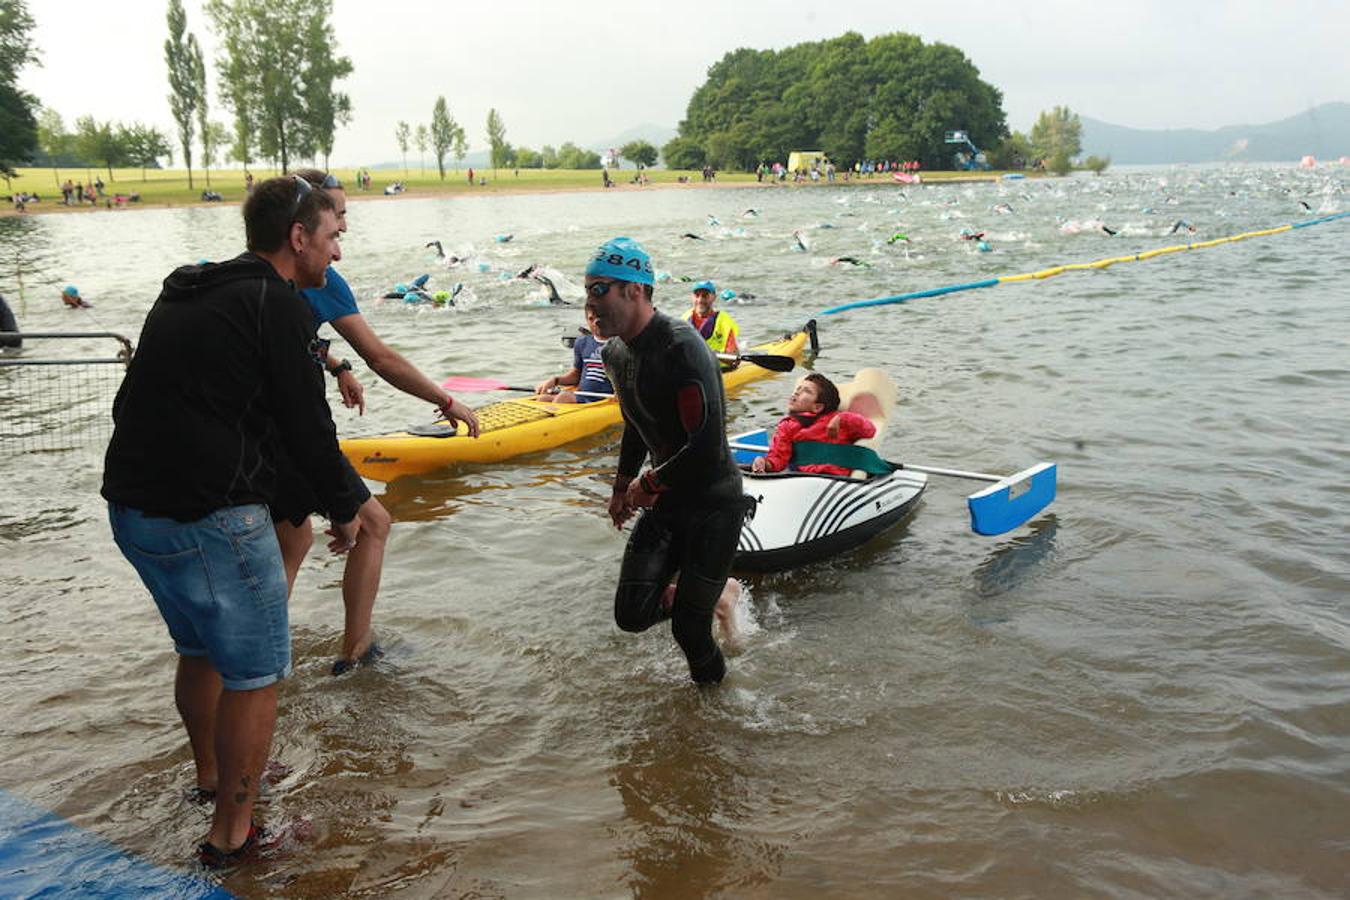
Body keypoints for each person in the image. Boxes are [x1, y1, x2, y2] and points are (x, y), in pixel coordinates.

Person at [102, 176, 363, 867]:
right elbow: (308, 431)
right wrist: (346, 506)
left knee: (200, 651)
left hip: (132, 512)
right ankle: (234, 836)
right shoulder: (276, 305)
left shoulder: (189, 286)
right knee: (253, 674)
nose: (337, 252)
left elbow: (140, 403)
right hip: (209, 518)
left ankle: (213, 781)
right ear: (298, 237)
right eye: (333, 236)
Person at [280, 169, 479, 674]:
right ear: (302, 229)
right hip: (292, 434)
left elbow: (291, 335)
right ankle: (355, 648)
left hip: (250, 438)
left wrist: (335, 364)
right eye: (338, 216)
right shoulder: (323, 279)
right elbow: (382, 358)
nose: (344, 228)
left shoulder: (252, 275)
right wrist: (446, 400)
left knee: (295, 539)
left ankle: (259, 656)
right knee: (374, 523)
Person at [585, 237, 748, 683]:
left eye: (600, 290)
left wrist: (648, 484)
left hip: (714, 504)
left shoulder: (683, 348)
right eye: (586, 291)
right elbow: (636, 424)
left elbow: (707, 446)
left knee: (689, 631)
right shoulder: (615, 352)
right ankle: (715, 593)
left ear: (635, 290)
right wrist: (621, 488)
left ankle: (713, 717)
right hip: (668, 502)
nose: (590, 304)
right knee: (632, 614)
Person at [750, 373, 877, 476]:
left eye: (806, 391)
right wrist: (764, 463)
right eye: (797, 389)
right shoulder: (787, 426)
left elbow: (869, 430)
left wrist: (842, 418)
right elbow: (778, 459)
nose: (797, 393)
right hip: (803, 479)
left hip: (836, 481)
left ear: (817, 407)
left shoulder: (840, 421)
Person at [534, 310, 612, 403]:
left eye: (599, 318)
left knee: (563, 398)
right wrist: (555, 380)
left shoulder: (619, 344)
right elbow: (576, 376)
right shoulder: (582, 342)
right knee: (543, 399)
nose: (595, 322)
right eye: (591, 319)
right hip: (583, 395)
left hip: (604, 399)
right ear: (587, 320)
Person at [686, 280, 739, 358]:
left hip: (719, 368)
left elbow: (734, 357)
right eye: (697, 295)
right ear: (692, 297)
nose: (700, 300)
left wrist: (711, 354)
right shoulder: (684, 320)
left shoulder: (724, 322)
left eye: (705, 296)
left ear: (714, 297)